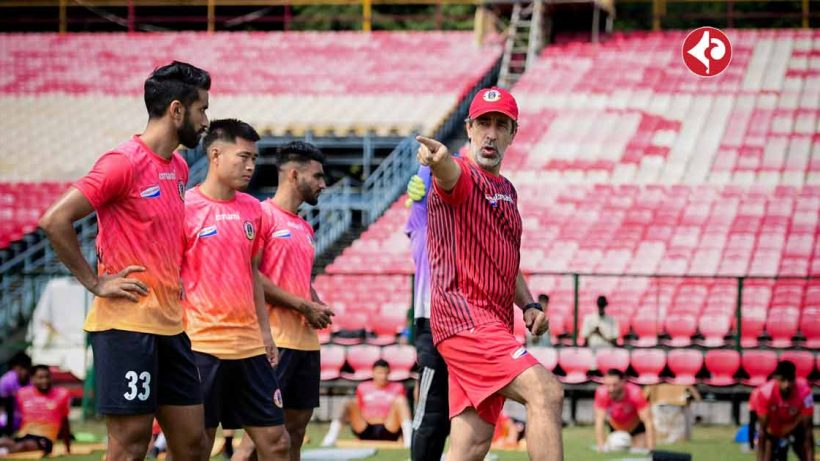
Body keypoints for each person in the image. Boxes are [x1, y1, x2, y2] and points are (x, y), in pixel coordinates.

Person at [38, 61, 211, 461]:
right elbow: (54, 220)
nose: (206, 119)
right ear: (176, 110)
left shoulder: (180, 167)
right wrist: (95, 282)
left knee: (194, 444)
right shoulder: (123, 162)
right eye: (202, 108)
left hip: (171, 326)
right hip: (126, 327)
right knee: (130, 445)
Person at [417, 86, 563, 461]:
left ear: (513, 134)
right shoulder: (461, 174)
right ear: (469, 128)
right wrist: (439, 159)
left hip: (493, 324)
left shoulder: (507, 191)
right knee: (546, 392)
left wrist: (528, 303)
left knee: (471, 446)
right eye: (484, 123)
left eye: (501, 125)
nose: (491, 133)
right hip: (466, 322)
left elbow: (506, 262)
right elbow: (449, 173)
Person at [181, 119, 290, 461]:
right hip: (201, 345)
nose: (251, 166)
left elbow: (251, 272)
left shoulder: (254, 210)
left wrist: (265, 334)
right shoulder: (184, 208)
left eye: (254, 159)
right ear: (215, 154)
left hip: (250, 347)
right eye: (243, 157)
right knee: (195, 446)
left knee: (277, 442)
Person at [235, 141, 332, 461]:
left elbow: (298, 280)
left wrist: (314, 300)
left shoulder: (304, 227)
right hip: (273, 342)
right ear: (293, 174)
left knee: (296, 433)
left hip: (305, 345)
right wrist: (303, 306)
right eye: (317, 176)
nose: (323, 184)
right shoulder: (261, 215)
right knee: (258, 439)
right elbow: (252, 276)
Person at [404, 165, 450, 460]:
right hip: (432, 325)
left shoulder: (464, 221)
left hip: (467, 325)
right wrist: (424, 165)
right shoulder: (422, 220)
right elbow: (430, 167)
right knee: (432, 414)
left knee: (450, 417)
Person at [321, 360, 412, 447]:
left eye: (386, 373)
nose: (383, 376)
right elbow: (359, 408)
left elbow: (400, 412)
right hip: (366, 428)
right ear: (373, 372)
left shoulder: (398, 387)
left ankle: (409, 440)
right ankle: (330, 437)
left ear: (389, 373)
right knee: (347, 401)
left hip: (388, 428)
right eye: (380, 373)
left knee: (401, 400)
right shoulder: (362, 387)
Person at [0, 365, 71, 456]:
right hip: (24, 435)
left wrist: (68, 447)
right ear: (32, 379)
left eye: (47, 377)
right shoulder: (22, 394)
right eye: (40, 378)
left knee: (24, 446)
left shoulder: (61, 395)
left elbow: (65, 421)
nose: (44, 381)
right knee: (4, 441)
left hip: (45, 439)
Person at [752, 360, 814, 461]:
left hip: (795, 428)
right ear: (776, 379)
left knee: (804, 452)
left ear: (795, 379)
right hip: (772, 430)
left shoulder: (805, 393)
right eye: (783, 380)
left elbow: (808, 431)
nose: (787, 385)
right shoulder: (765, 393)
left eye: (790, 380)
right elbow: (763, 431)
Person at [594, 369, 655, 453]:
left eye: (615, 385)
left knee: (639, 451)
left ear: (623, 382)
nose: (611, 389)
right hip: (616, 426)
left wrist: (651, 448)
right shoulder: (601, 393)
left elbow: (648, 421)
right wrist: (601, 446)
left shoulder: (635, 393)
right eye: (608, 385)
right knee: (617, 450)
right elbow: (599, 421)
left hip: (635, 426)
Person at [0, 352, 31, 436]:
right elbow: (4, 406)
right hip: (8, 415)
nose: (22, 372)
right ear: (13, 368)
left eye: (25, 368)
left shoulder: (32, 381)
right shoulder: (6, 381)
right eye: (19, 368)